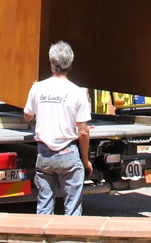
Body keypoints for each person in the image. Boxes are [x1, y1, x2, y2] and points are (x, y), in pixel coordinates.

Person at [23, 41, 93, 216]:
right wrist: (85, 161)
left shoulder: (37, 88)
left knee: (44, 206)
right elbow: (83, 131)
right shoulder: (78, 92)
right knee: (72, 208)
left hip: (44, 154)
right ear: (70, 64)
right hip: (68, 154)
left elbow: (27, 116)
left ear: (51, 63)